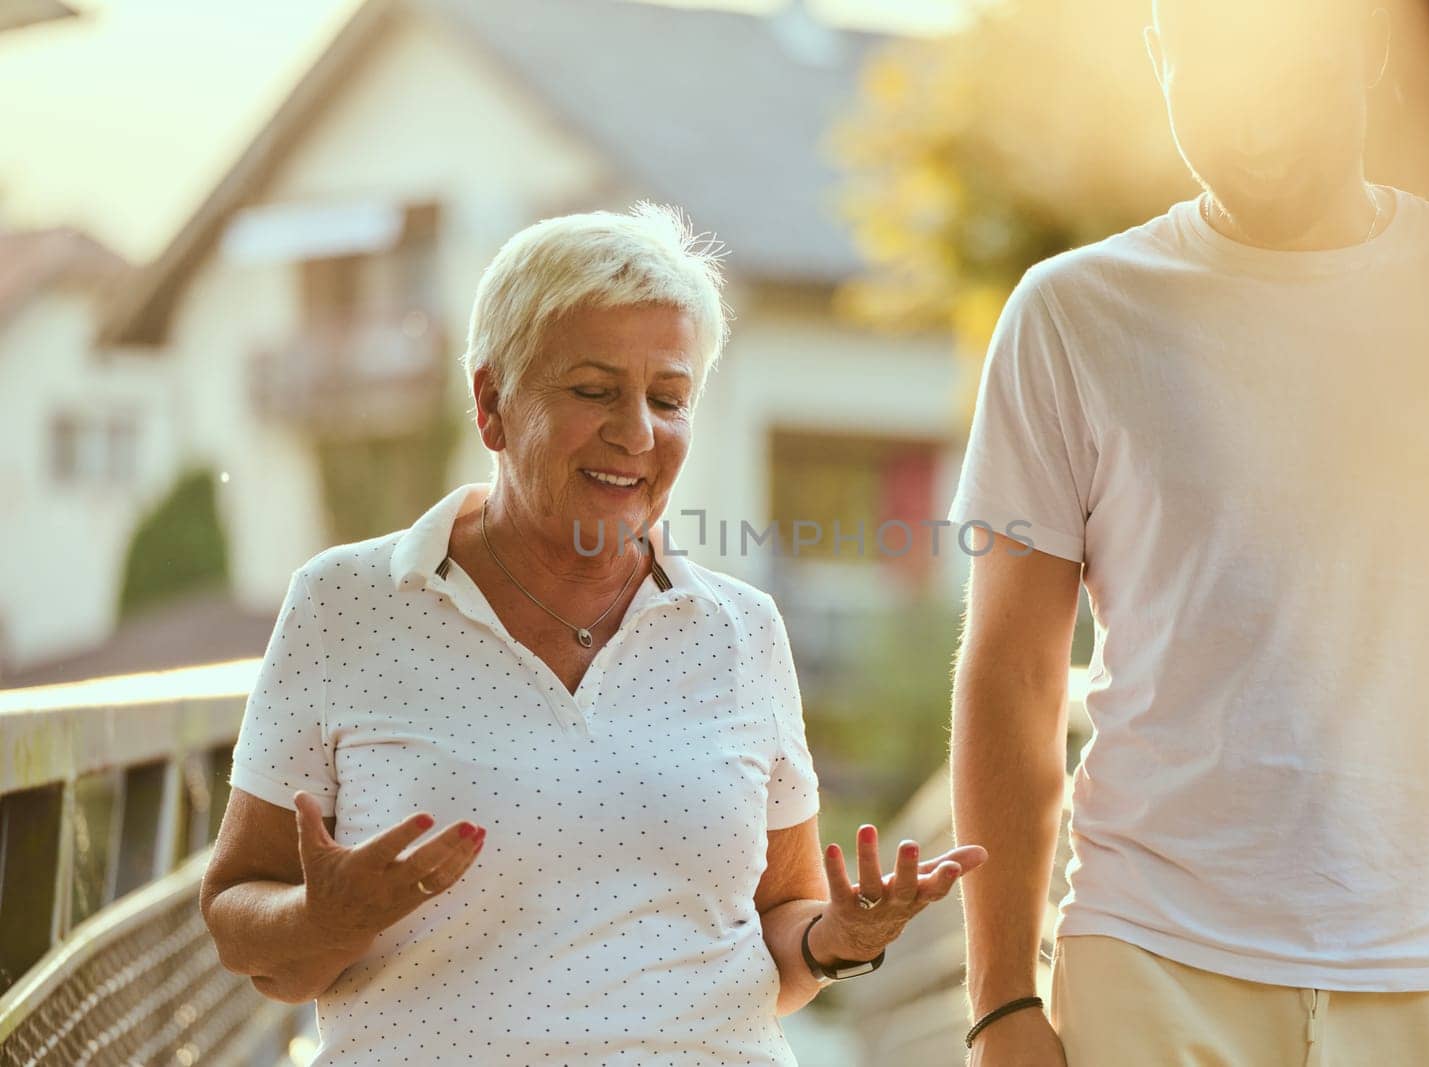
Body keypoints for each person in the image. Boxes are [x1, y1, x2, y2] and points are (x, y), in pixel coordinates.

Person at [199, 203, 986, 1064]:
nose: (637, 431)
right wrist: (320, 919)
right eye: (593, 390)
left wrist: (842, 935)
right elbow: (240, 914)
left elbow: (781, 936)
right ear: (492, 402)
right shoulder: (347, 602)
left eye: (668, 398)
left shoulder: (741, 631)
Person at [949, 1, 1429, 1063]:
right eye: (1205, 72)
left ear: (1371, 52)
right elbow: (1012, 667)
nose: (1247, 116)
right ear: (1157, 59)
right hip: (1153, 964)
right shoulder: (1070, 314)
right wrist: (1001, 998)